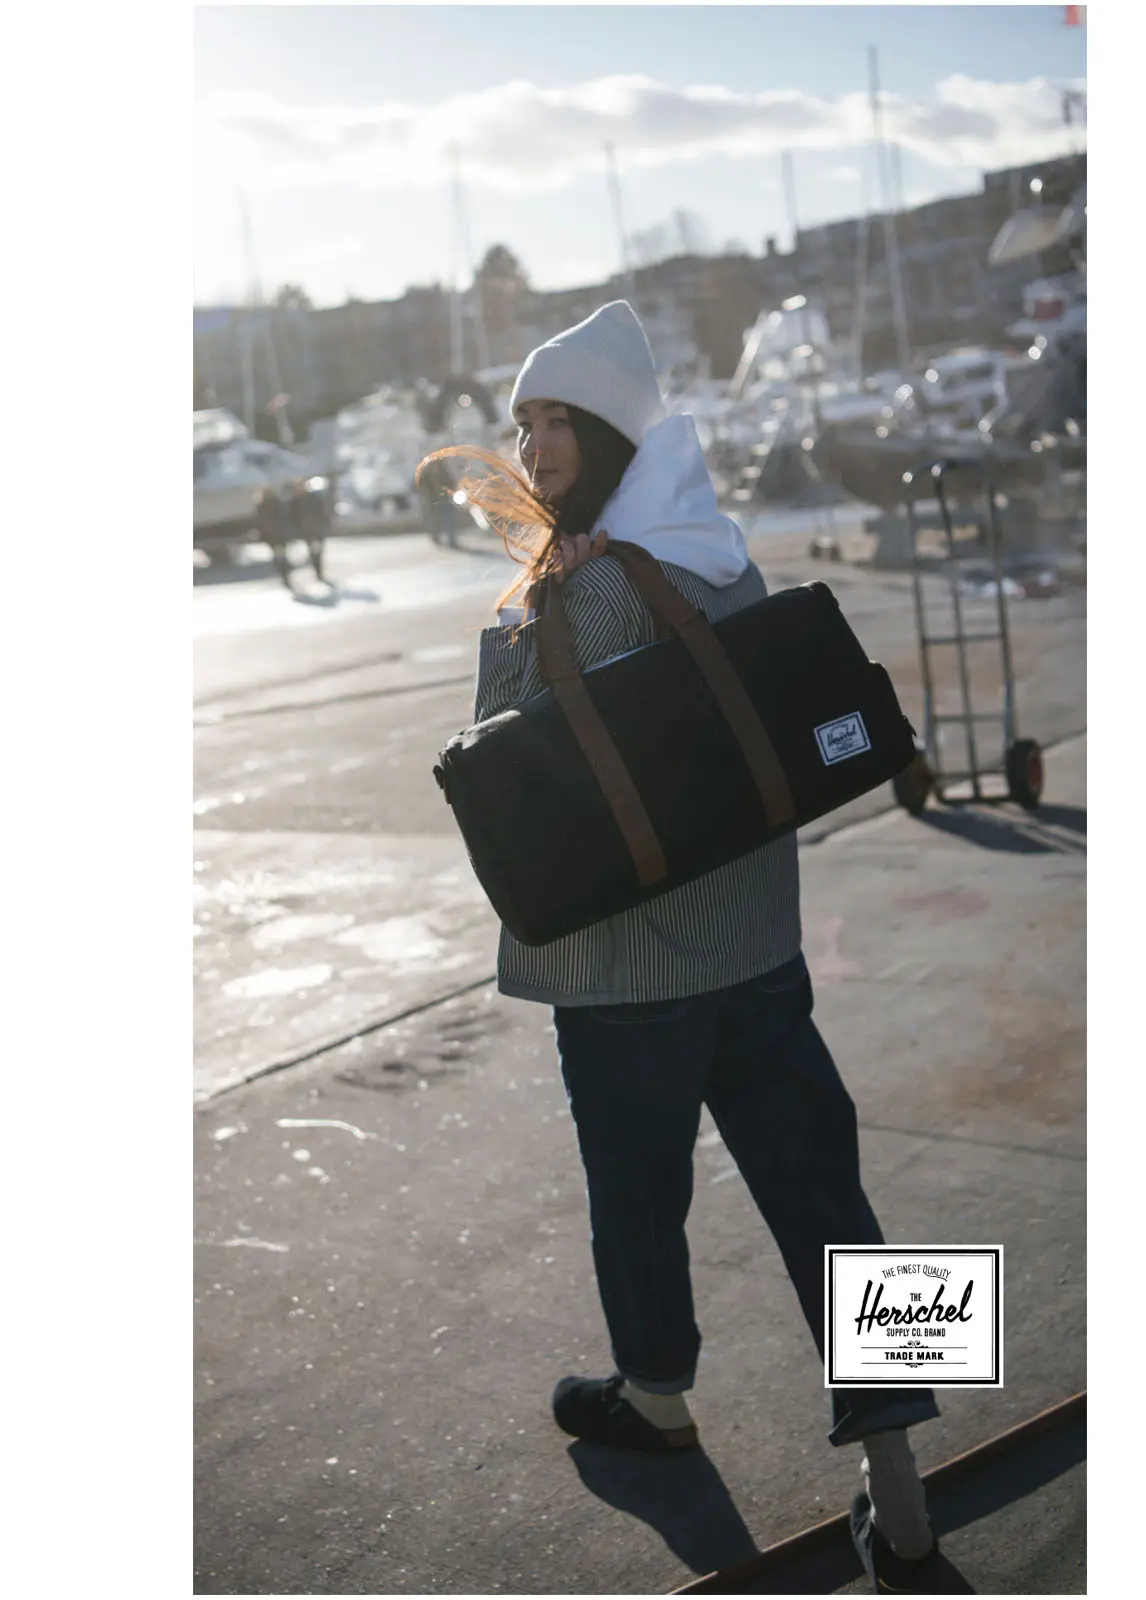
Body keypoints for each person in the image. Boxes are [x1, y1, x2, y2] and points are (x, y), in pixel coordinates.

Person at [423, 302, 940, 1590]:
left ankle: (656, 1396)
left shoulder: (589, 587)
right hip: (758, 950)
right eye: (525, 424)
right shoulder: (717, 555)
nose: (535, 447)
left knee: (639, 1193)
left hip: (631, 977)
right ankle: (908, 1498)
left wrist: (535, 599)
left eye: (559, 423)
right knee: (829, 1196)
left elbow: (508, 753)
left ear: (610, 437)